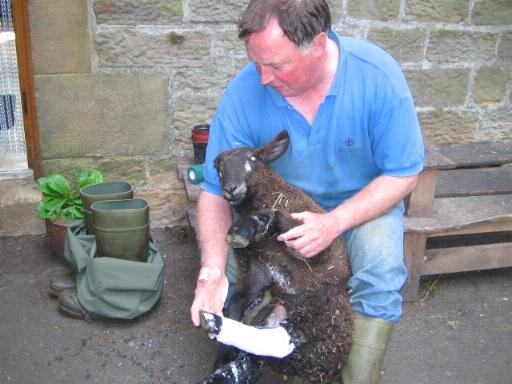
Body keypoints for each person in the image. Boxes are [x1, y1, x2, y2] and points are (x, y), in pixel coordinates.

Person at [190, 0, 424, 382]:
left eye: (276, 65)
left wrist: (333, 223)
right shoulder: (244, 92)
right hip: (282, 211)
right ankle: (255, 356)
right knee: (236, 271)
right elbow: (215, 191)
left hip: (361, 207)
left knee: (381, 269)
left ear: (317, 44)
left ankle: (352, 375)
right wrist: (212, 271)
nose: (263, 78)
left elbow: (403, 173)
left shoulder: (376, 77)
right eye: (256, 63)